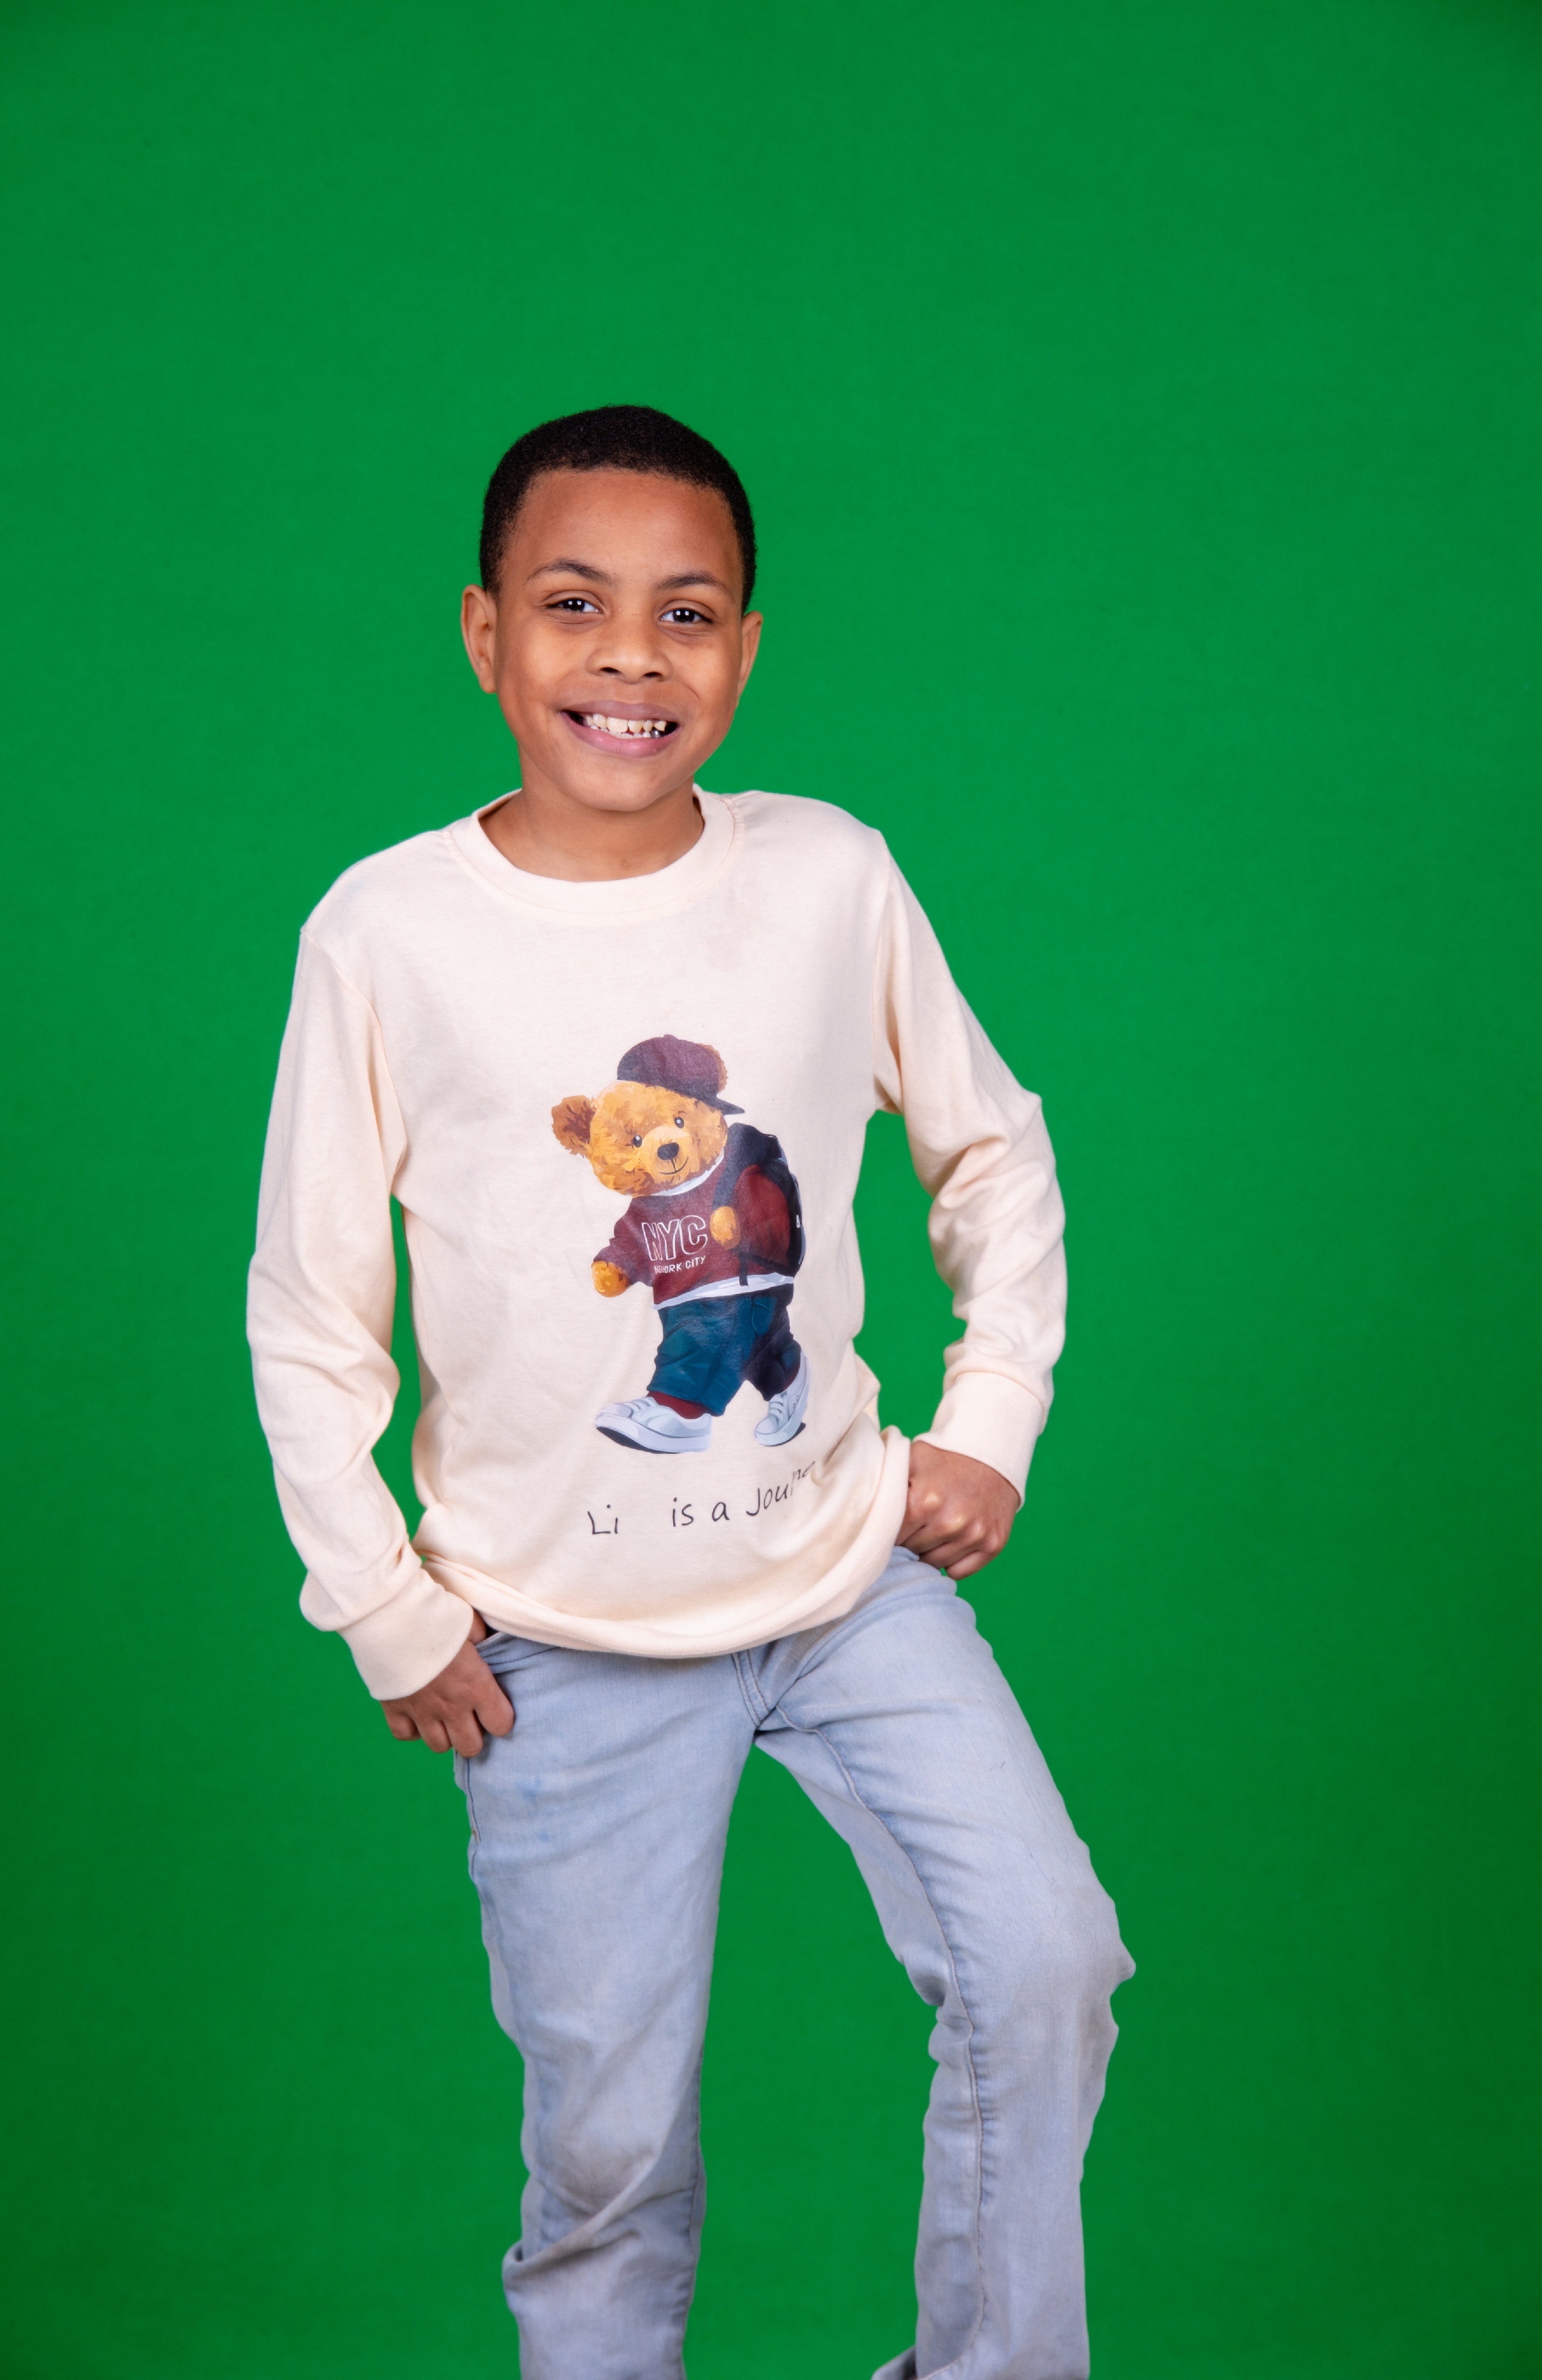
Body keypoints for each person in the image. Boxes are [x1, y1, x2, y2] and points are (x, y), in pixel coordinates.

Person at [247, 404, 1132, 2380]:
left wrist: (989, 1416)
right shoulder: (388, 933)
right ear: (487, 635)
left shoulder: (828, 876)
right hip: (559, 1642)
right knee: (611, 2148)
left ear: (743, 646)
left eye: (687, 612)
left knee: (1046, 1962)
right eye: (574, 607)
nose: (630, 656)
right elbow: (311, 1310)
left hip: (843, 1578)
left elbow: (990, 1150)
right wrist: (382, 1601)